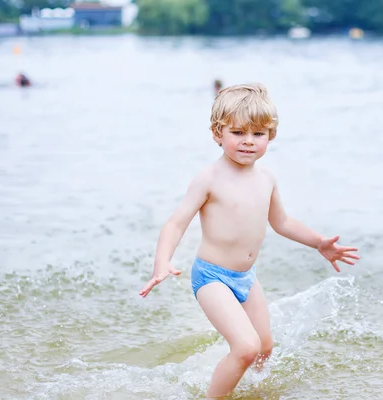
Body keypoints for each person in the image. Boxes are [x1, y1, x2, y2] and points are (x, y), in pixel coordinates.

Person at [139, 83, 360, 398]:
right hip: (212, 277)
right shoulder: (209, 179)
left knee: (264, 347)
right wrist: (162, 263)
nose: (248, 141)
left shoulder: (266, 179)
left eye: (258, 134)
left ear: (271, 136)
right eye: (238, 132)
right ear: (218, 133)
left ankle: (252, 391)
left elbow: (281, 222)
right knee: (245, 347)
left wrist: (319, 243)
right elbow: (176, 223)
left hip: (246, 278)